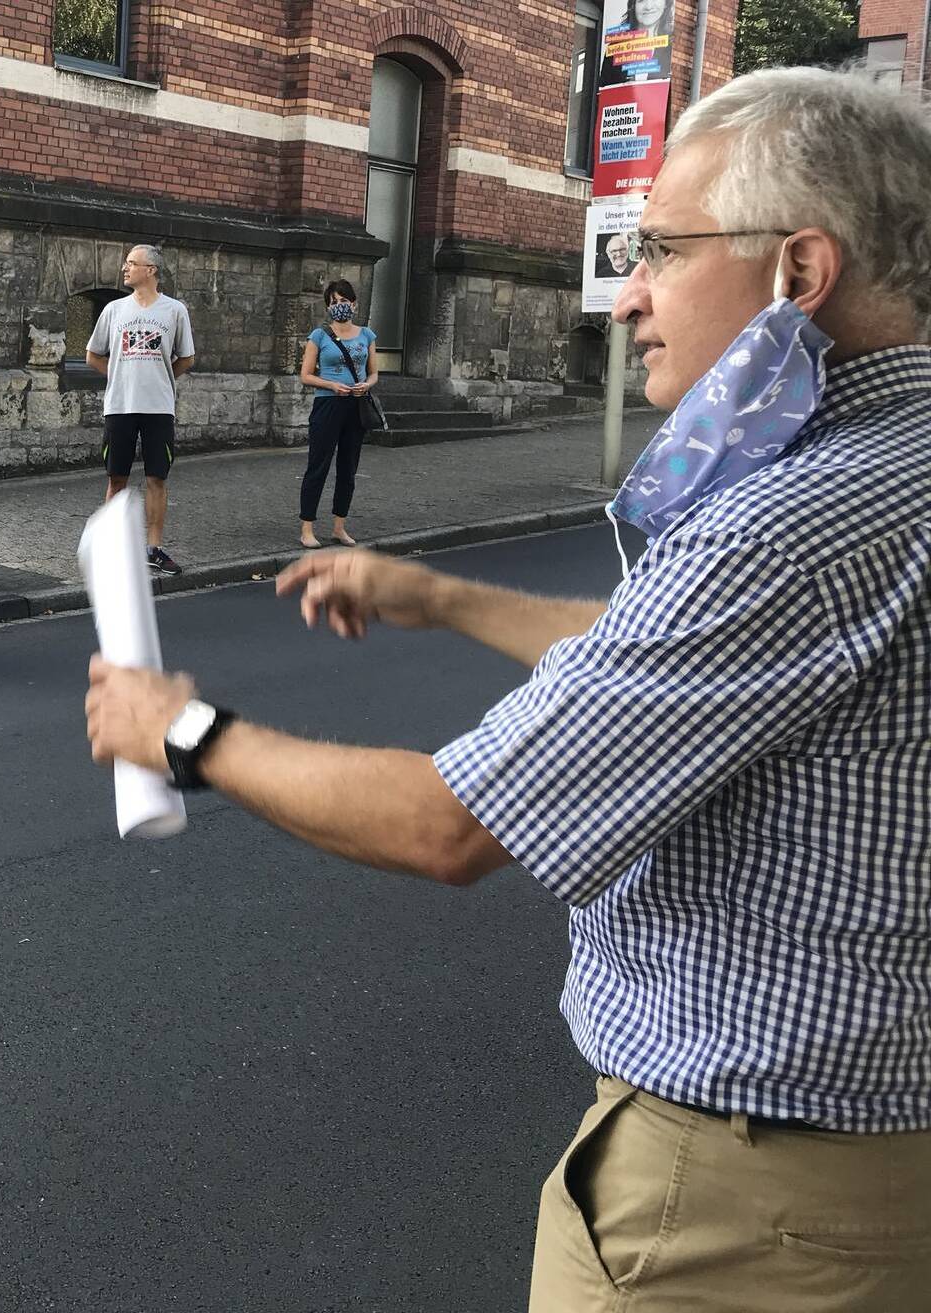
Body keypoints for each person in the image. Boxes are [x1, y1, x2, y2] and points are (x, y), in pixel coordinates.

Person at [86, 68, 931, 1308]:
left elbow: (450, 822)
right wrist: (441, 596)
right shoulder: (891, 466)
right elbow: (680, 666)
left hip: (738, 1210)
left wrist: (183, 732)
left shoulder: (783, 519)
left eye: (660, 250)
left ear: (797, 273)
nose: (627, 297)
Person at [86, 244, 195, 575]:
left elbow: (187, 357)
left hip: (158, 408)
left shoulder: (174, 311)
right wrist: (122, 375)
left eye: (132, 263)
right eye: (126, 263)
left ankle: (154, 549)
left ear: (151, 270)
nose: (125, 268)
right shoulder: (114, 310)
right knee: (116, 478)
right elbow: (93, 355)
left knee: (156, 478)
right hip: (120, 406)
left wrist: (160, 378)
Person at [296, 280, 378, 549]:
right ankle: (307, 528)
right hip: (328, 404)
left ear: (354, 304)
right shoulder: (319, 335)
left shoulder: (367, 335)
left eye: (344, 301)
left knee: (348, 468)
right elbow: (306, 375)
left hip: (356, 405)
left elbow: (374, 371)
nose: (340, 306)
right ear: (328, 306)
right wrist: (331, 384)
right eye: (334, 302)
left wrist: (367, 384)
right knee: (318, 465)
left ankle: (339, 527)